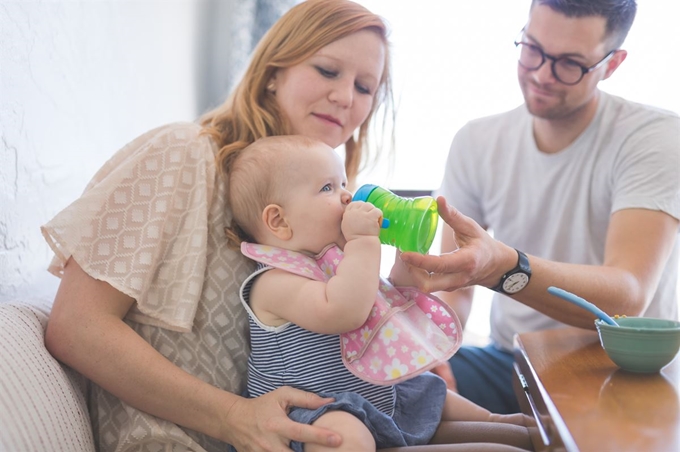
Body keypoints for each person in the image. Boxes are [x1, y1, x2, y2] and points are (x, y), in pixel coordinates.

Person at [41, 1, 396, 450]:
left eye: (365, 87)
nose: (346, 97)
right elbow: (76, 326)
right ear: (272, 70)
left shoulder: (328, 210)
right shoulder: (183, 154)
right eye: (327, 71)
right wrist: (234, 418)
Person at [399, 0, 680, 415]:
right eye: (532, 49)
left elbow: (629, 295)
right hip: (512, 363)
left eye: (569, 63)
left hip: (619, 369)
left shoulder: (654, 137)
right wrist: (432, 350)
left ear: (613, 63)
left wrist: (504, 267)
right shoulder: (477, 141)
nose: (541, 75)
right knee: (372, 384)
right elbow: (454, 285)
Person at [224, 134, 532, 452]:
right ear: (279, 221)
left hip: (378, 393)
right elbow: (345, 311)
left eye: (343, 184)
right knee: (344, 437)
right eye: (327, 188)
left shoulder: (336, 263)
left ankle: (504, 424)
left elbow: (377, 307)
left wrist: (402, 275)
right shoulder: (273, 283)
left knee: (438, 393)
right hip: (318, 411)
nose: (347, 197)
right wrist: (363, 241)